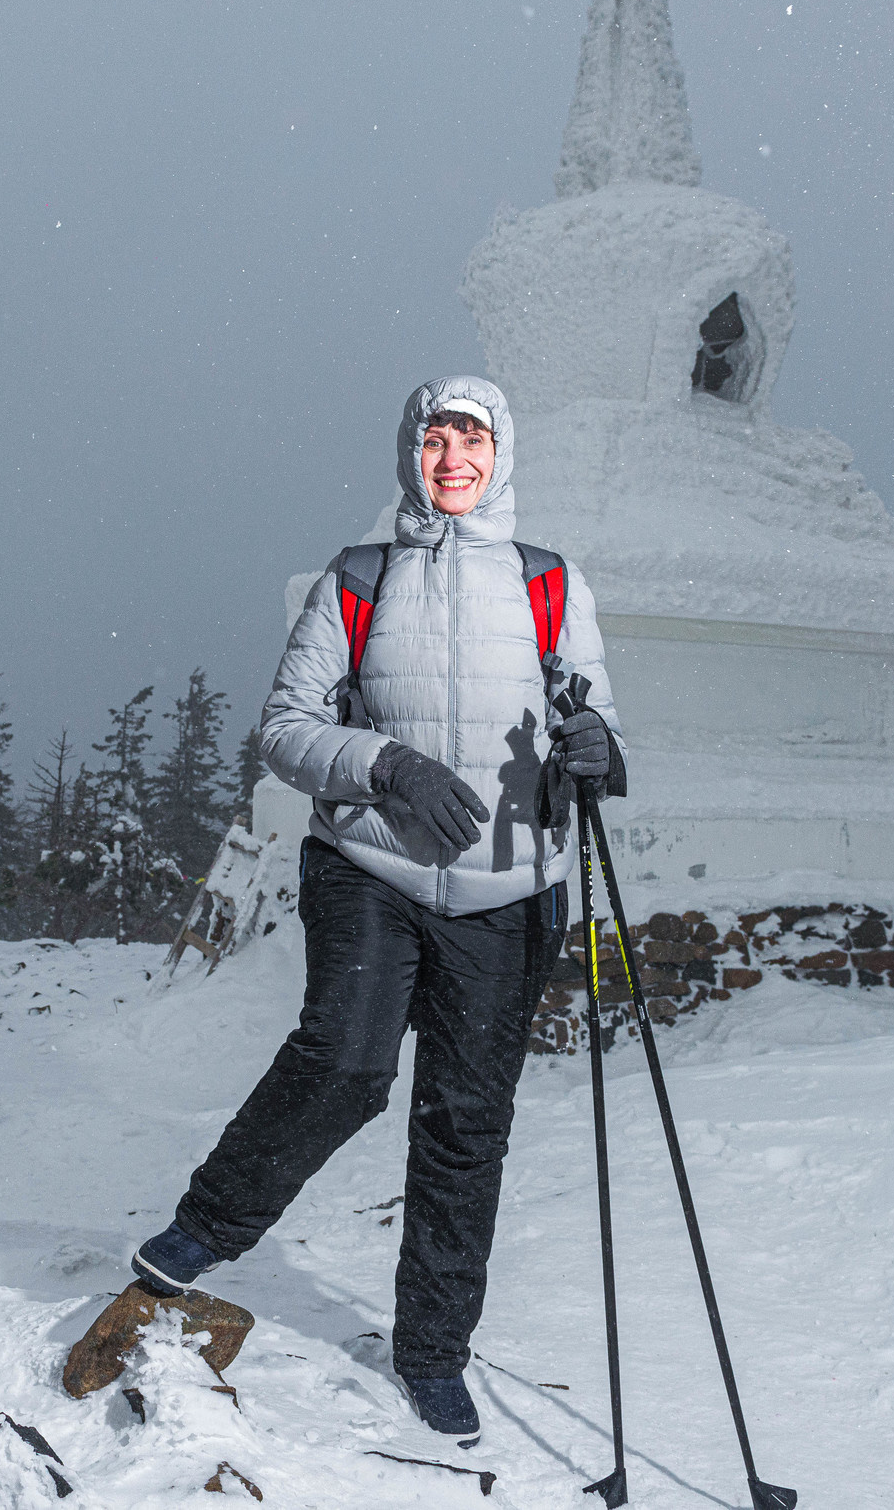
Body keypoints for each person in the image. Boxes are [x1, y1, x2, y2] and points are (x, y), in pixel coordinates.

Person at [129, 375, 624, 1446]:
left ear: (501, 452)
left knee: (465, 1123)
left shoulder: (548, 582)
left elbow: (590, 703)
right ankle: (204, 1226)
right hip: (371, 866)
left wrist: (596, 749)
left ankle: (431, 1350)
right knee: (345, 1063)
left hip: (507, 887)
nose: (453, 456)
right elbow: (284, 727)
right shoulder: (358, 580)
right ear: (409, 450)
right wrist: (387, 764)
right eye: (435, 436)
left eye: (472, 437)